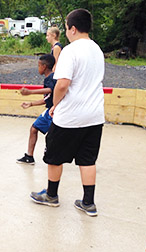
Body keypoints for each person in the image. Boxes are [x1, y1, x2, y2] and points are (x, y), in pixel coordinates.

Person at [30, 9, 105, 217]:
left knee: (54, 156)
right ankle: (88, 202)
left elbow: (62, 85)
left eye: (66, 28)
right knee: (88, 160)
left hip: (70, 116)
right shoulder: (97, 50)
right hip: (95, 115)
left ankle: (51, 196)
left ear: (72, 28)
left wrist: (55, 104)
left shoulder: (70, 51)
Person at [16, 54, 56, 165]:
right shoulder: (50, 78)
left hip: (55, 112)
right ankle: (29, 156)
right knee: (34, 128)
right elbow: (48, 98)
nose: (38, 68)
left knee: (54, 136)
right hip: (49, 110)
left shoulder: (52, 78)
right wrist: (31, 104)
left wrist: (30, 92)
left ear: (44, 66)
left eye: (38, 65)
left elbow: (50, 90)